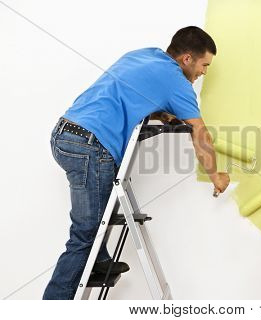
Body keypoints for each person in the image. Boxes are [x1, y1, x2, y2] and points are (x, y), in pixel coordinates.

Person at [43, 26, 230, 299]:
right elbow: (200, 133)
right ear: (187, 59)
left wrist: (160, 112)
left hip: (66, 134)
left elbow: (127, 93)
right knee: (86, 234)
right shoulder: (176, 81)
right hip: (89, 145)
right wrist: (216, 175)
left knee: (99, 214)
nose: (204, 73)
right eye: (204, 65)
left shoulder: (144, 55)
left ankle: (100, 259)